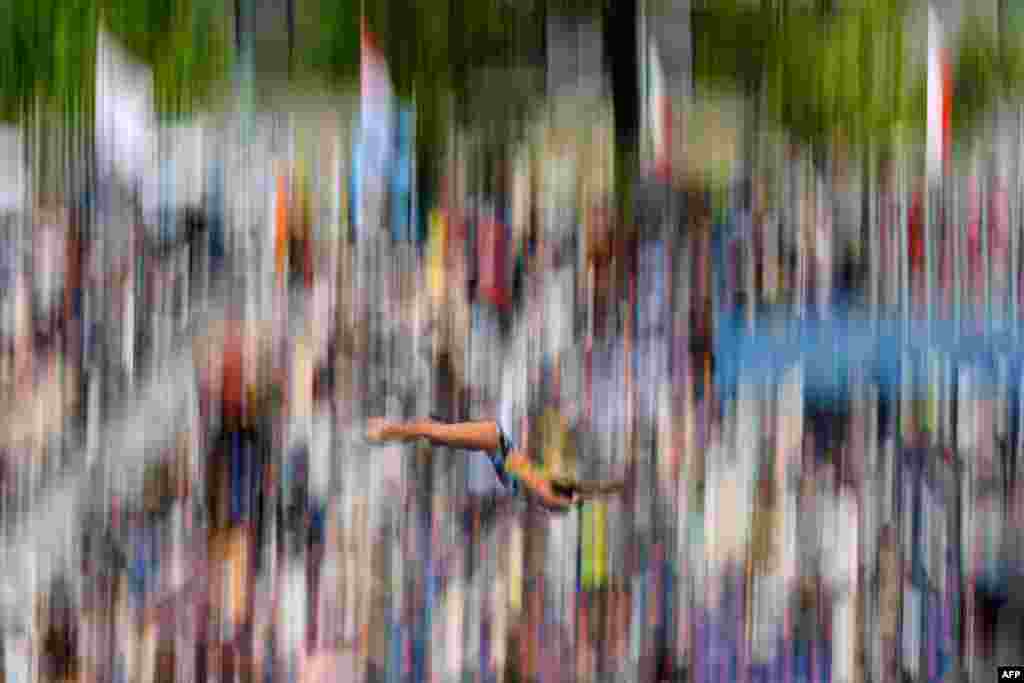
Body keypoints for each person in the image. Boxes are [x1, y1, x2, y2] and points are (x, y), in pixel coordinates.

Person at [365, 415, 627, 512]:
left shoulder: (548, 490)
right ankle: (388, 432)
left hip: (499, 447)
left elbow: (565, 495)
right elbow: (584, 488)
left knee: (434, 431)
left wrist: (596, 494)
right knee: (434, 431)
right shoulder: (549, 486)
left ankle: (387, 432)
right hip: (500, 449)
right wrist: (609, 489)